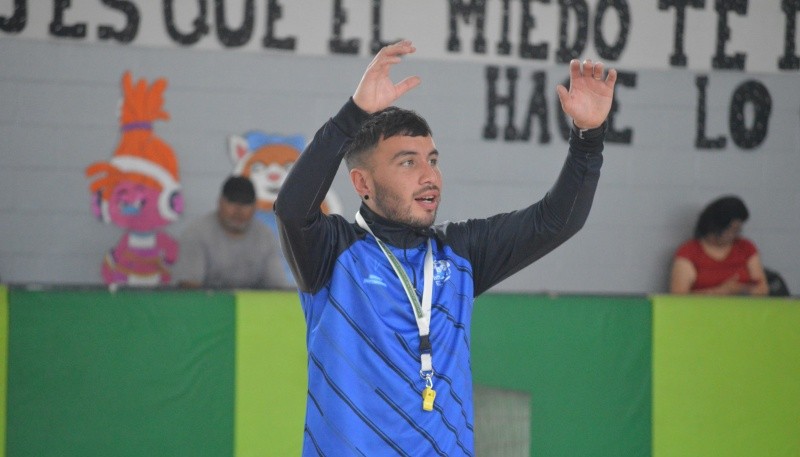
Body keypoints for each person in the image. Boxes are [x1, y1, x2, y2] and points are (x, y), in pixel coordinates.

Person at [274, 40, 616, 455]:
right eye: (407, 162)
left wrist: (588, 138)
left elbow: (557, 220)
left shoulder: (460, 252)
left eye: (432, 160)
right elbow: (292, 209)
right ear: (363, 184)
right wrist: (354, 115)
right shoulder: (333, 252)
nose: (429, 175)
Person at [173, 175, 289, 289]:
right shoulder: (196, 234)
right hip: (206, 306)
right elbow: (188, 289)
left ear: (254, 207)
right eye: (232, 202)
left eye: (245, 203)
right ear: (220, 202)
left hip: (250, 307)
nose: (238, 210)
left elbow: (278, 289)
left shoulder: (265, 237)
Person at [669, 195, 768, 295]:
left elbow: (763, 289)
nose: (733, 235)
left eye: (737, 230)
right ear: (715, 227)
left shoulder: (746, 247)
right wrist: (720, 292)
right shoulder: (689, 252)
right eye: (731, 230)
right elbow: (679, 296)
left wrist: (743, 290)